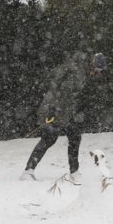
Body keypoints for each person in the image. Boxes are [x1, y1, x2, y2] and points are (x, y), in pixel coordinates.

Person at [20, 51, 107, 181]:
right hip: (52, 109)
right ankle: (28, 172)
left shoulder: (81, 72)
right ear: (91, 64)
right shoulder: (76, 71)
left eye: (99, 70)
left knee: (75, 135)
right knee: (49, 138)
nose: (96, 73)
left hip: (63, 111)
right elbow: (62, 93)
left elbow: (69, 97)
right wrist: (53, 111)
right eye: (96, 69)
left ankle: (74, 172)